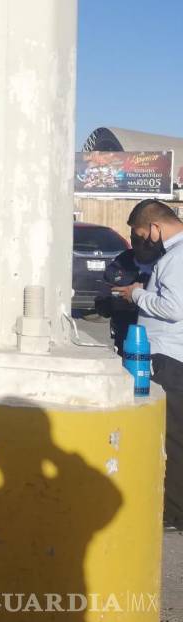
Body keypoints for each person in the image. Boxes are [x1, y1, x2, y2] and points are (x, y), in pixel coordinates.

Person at [116, 198, 183, 524]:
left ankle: (172, 513)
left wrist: (137, 295)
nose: (139, 241)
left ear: (155, 228)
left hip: (169, 359)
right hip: (172, 357)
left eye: (140, 234)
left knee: (171, 437)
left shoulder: (177, 258)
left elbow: (174, 308)